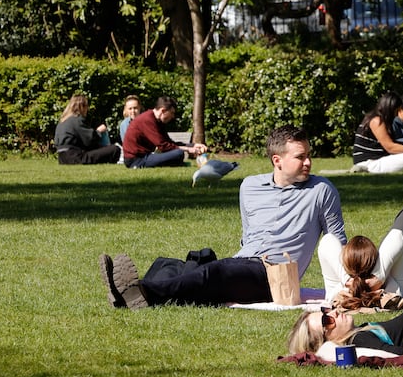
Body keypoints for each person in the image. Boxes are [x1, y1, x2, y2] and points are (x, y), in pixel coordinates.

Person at [100, 125, 347, 308]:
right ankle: (135, 295)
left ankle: (141, 291)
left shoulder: (321, 190)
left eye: (308, 155)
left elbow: (337, 244)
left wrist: (352, 280)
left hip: (274, 275)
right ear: (277, 160)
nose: (308, 162)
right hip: (244, 261)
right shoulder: (250, 186)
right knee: (173, 265)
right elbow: (248, 235)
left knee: (214, 273)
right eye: (300, 157)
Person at [351, 92, 403, 173]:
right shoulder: (377, 121)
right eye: (396, 110)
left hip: (378, 159)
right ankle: (363, 169)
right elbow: (390, 147)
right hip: (369, 163)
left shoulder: (379, 120)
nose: (396, 114)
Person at [121, 95, 207, 168]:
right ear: (163, 111)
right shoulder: (147, 120)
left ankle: (177, 163)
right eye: (172, 113)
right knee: (178, 153)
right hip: (136, 160)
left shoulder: (157, 121)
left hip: (145, 156)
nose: (173, 116)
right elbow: (164, 146)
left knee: (178, 153)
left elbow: (169, 143)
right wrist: (189, 149)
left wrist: (194, 145)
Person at [54, 94, 121, 165]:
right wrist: (98, 131)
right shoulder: (77, 120)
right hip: (76, 157)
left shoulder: (62, 121)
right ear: (82, 107)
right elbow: (90, 140)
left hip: (62, 159)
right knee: (114, 149)